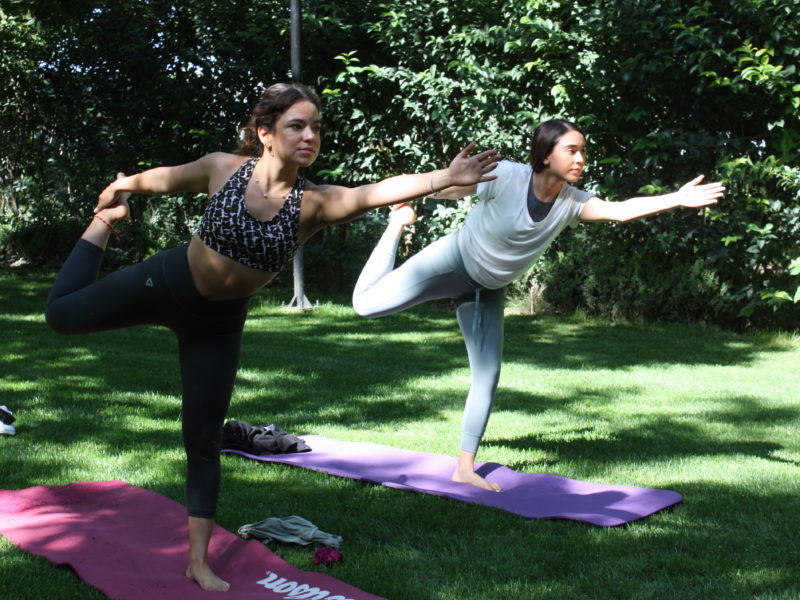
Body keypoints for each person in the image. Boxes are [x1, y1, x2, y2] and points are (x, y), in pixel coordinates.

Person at [44, 82, 500, 592]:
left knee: (202, 438)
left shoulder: (314, 205)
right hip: (166, 283)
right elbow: (165, 179)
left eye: (316, 128)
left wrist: (445, 177)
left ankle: (198, 562)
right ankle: (100, 226)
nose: (310, 137)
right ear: (265, 133)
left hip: (216, 325)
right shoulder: (222, 169)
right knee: (61, 317)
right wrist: (121, 189)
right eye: (296, 126)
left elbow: (374, 192)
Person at [352, 118, 725, 493]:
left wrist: (677, 198)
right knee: (366, 306)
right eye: (571, 150)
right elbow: (451, 187)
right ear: (545, 155)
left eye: (583, 152)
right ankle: (396, 226)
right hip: (450, 263)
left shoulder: (571, 202)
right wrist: (442, 184)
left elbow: (620, 210)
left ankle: (465, 467)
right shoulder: (507, 176)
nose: (581, 159)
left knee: (487, 374)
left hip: (487, 289)